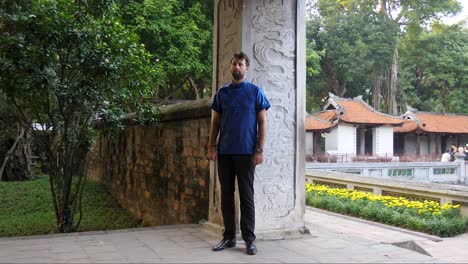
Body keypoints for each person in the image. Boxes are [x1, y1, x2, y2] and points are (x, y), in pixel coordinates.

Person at [207, 51, 271, 256]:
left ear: (246, 68)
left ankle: (249, 240)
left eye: (240, 64)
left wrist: (259, 149)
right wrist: (211, 146)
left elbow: (262, 122)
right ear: (231, 66)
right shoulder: (222, 93)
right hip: (225, 152)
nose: (237, 67)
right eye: (234, 64)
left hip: (246, 153)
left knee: (246, 196)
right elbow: (215, 122)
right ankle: (228, 237)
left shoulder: (255, 92)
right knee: (226, 195)